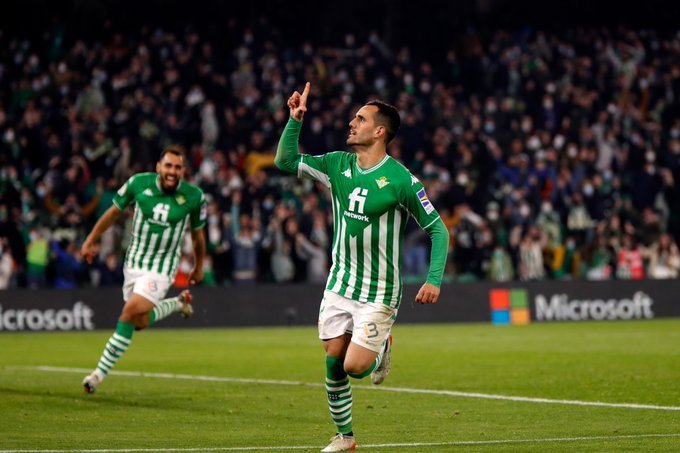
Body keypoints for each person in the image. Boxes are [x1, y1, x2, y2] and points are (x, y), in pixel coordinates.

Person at [275, 83, 449, 452]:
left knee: (354, 367)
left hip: (380, 291)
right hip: (340, 283)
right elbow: (286, 162)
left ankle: (382, 346)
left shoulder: (402, 180)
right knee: (333, 359)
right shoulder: (336, 164)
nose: (351, 123)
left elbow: (438, 229)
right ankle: (346, 437)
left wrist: (433, 279)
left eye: (360, 119)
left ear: (380, 131)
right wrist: (295, 121)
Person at [80, 146, 206, 393]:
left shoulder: (194, 196)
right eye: (168, 166)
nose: (172, 171)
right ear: (158, 167)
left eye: (178, 167)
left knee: (129, 313)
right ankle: (178, 303)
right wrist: (90, 240)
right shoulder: (138, 183)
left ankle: (97, 376)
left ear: (183, 171)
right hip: (134, 264)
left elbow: (198, 236)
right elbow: (112, 213)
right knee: (139, 322)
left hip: (162, 268)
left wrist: (198, 266)